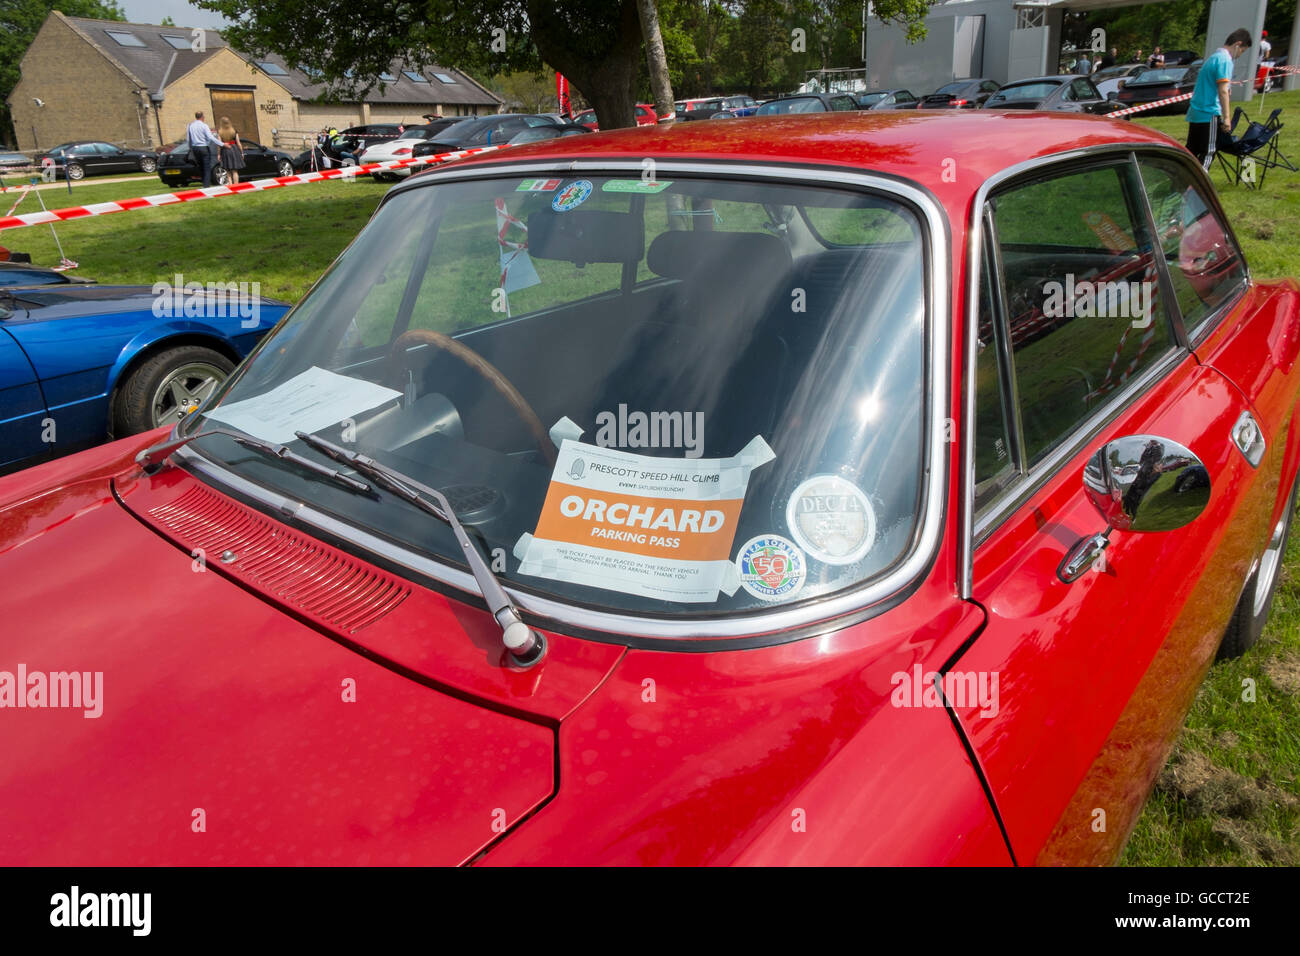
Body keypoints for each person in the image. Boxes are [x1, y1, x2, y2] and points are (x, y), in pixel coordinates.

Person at [1186, 28, 1253, 167]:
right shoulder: (1225, 61)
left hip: (1196, 111)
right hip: (1209, 112)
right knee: (1208, 152)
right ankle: (1198, 187)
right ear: (1237, 44)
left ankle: (1180, 183)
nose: (1240, 55)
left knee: (1191, 151)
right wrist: (1227, 117)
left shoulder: (1213, 57)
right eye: (1242, 50)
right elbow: (1223, 91)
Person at [185, 110, 222, 187]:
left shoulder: (190, 125)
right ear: (202, 117)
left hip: (195, 148)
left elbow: (188, 139)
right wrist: (222, 144)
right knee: (207, 167)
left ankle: (203, 182)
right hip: (203, 147)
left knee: (200, 166)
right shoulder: (204, 126)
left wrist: (190, 148)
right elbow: (210, 137)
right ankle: (206, 185)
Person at [217, 116, 245, 185]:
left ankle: (231, 185)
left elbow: (219, 144)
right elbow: (238, 143)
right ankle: (236, 185)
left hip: (225, 150)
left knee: (228, 171)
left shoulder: (220, 132)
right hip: (234, 149)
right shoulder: (234, 131)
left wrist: (219, 154)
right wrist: (242, 153)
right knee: (235, 170)